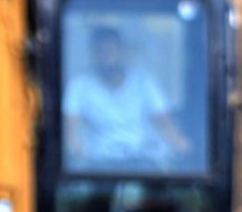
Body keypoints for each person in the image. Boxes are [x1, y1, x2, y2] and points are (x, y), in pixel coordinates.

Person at [64, 25, 193, 168]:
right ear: (94, 53)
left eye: (111, 49)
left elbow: (164, 122)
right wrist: (75, 150)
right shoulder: (79, 85)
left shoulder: (144, 81)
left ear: (122, 51)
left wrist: (180, 145)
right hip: (97, 164)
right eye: (101, 50)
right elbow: (70, 128)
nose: (107, 55)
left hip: (142, 161)